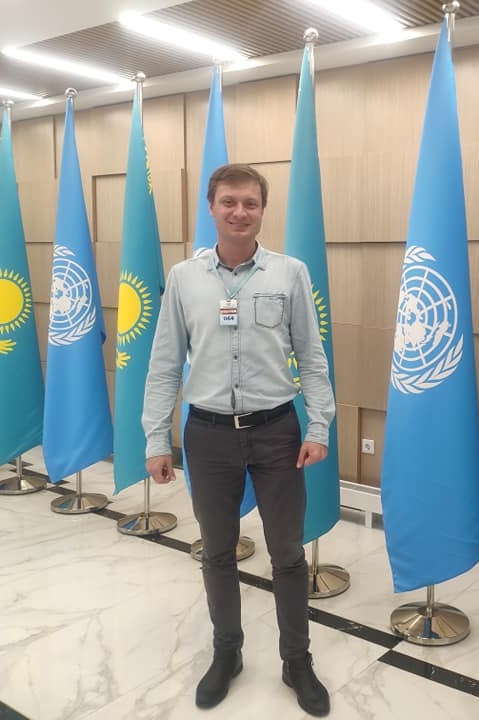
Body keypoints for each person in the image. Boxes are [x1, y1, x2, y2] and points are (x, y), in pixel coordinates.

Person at [142, 163, 335, 717]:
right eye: (229, 202)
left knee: (288, 554)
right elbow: (163, 363)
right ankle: (227, 653)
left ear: (262, 209)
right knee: (217, 551)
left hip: (277, 433)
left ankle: (296, 660)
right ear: (212, 207)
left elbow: (312, 356)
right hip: (207, 437)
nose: (240, 212)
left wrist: (319, 425)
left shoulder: (290, 273)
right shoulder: (184, 278)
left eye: (250, 203)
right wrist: (156, 437)